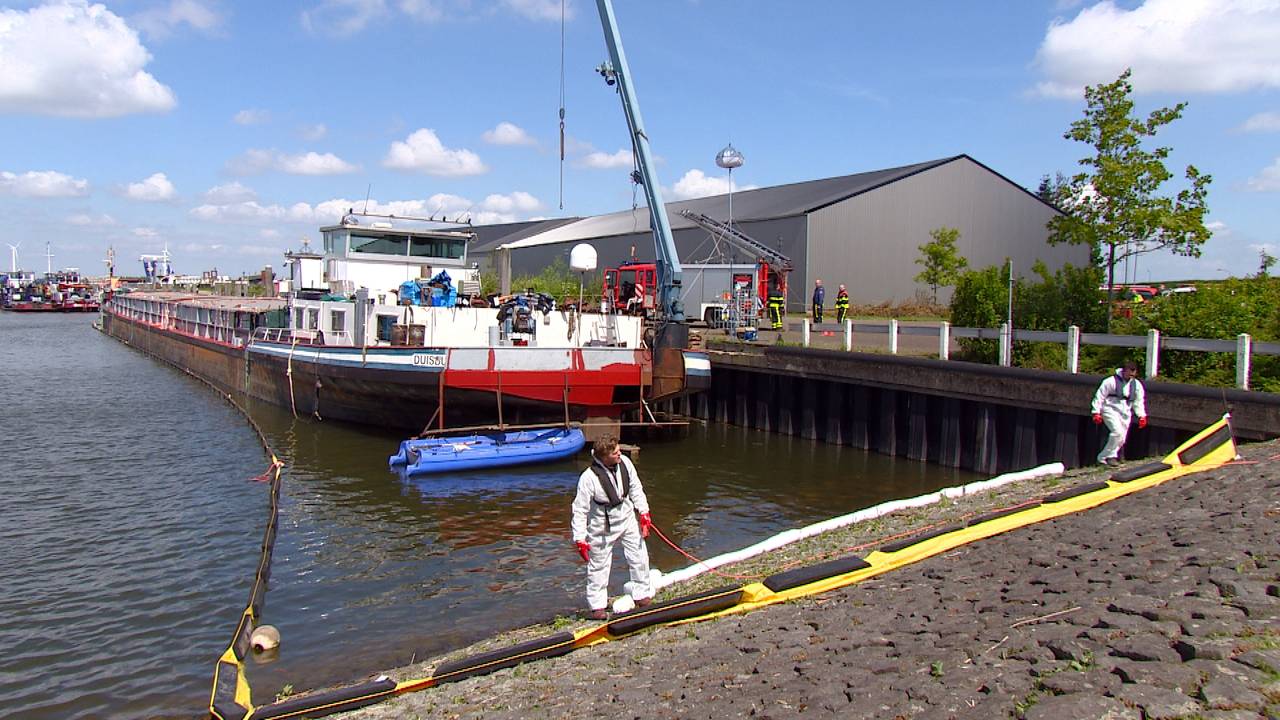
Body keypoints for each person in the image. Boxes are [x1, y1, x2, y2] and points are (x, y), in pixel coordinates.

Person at [571, 434, 653, 619]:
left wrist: (644, 512)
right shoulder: (588, 478)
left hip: (626, 515)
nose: (619, 453)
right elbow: (580, 509)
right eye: (615, 452)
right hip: (602, 524)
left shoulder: (625, 463)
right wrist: (580, 539)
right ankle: (597, 606)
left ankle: (642, 594)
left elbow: (635, 488)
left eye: (618, 450)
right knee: (598, 566)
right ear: (603, 456)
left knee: (639, 556)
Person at [1091, 360, 1148, 466]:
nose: (1131, 375)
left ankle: (1107, 457)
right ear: (1124, 370)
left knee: (1122, 437)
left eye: (1134, 372)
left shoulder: (1137, 385)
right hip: (1110, 409)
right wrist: (1096, 412)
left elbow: (1138, 401)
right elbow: (1099, 396)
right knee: (1117, 432)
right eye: (1129, 371)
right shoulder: (1110, 381)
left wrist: (1141, 416)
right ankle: (1106, 457)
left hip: (1125, 411)